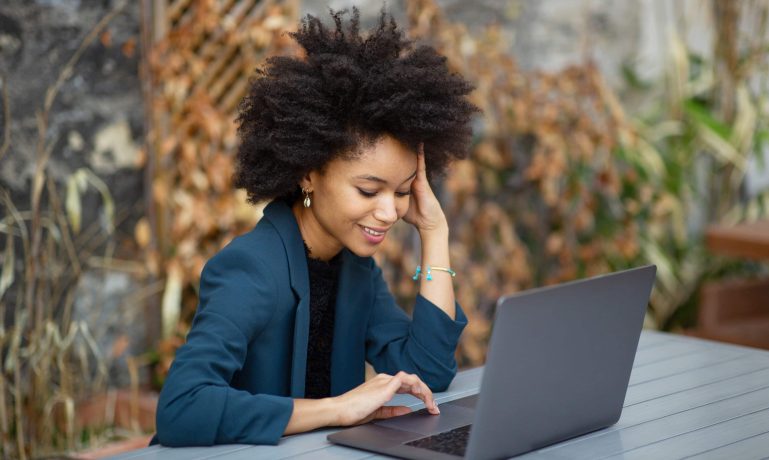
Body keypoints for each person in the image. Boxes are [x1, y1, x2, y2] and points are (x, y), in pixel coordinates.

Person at [154, 6, 478, 447]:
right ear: (309, 173)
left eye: (401, 192)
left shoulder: (352, 267)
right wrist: (339, 409)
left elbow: (429, 373)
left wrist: (435, 234)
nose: (389, 212)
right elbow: (182, 408)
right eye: (368, 190)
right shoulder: (251, 268)